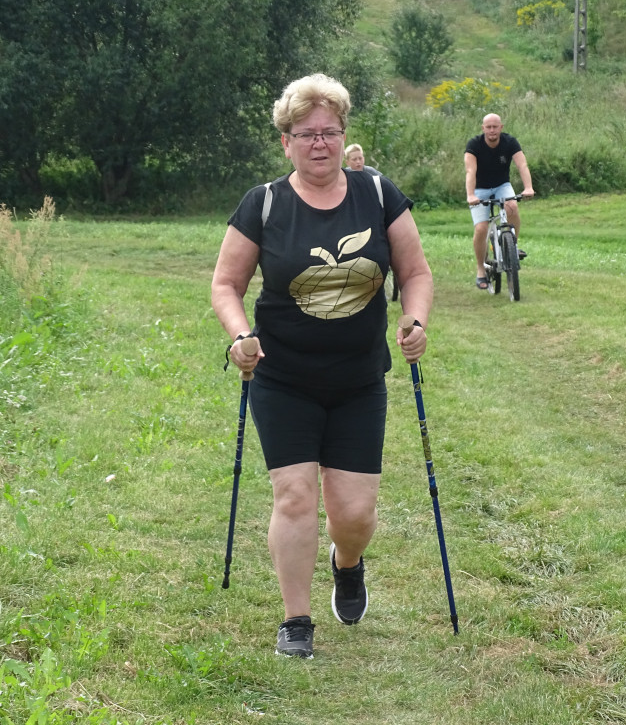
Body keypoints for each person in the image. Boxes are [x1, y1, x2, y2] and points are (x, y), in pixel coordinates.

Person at [211, 73, 433, 659]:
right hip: (282, 377)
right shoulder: (263, 204)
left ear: (343, 137)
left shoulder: (378, 195)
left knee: (354, 514)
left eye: (329, 132)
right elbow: (226, 284)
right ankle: (296, 620)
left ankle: (348, 561)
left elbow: (415, 273)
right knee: (294, 496)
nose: (319, 143)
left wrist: (414, 322)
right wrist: (240, 336)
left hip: (360, 379)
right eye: (306, 133)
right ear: (286, 141)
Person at [464, 113, 535, 290]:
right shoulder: (474, 145)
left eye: (495, 127)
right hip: (480, 189)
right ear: (483, 128)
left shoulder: (510, 142)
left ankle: (512, 247)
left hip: (502, 185)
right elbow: (470, 171)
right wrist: (471, 195)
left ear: (501, 127)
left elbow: (522, 165)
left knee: (512, 206)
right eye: (488, 127)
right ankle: (481, 270)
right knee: (481, 228)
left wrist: (528, 187)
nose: (492, 130)